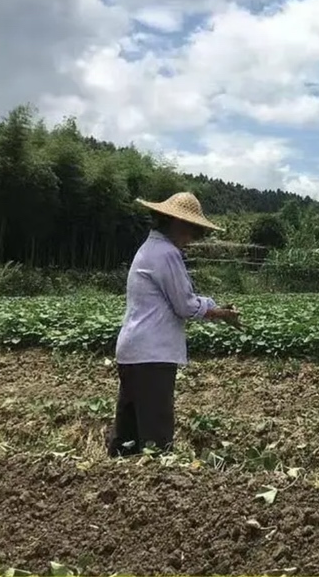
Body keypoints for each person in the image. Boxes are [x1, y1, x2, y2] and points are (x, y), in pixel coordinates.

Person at [107, 191, 242, 458]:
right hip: (153, 354)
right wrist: (219, 312)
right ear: (179, 224)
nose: (191, 240)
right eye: (193, 231)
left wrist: (212, 308)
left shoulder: (147, 249)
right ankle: (157, 491)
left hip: (133, 351)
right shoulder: (167, 253)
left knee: (127, 436)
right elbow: (185, 305)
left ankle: (116, 485)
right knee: (156, 438)